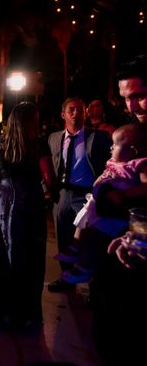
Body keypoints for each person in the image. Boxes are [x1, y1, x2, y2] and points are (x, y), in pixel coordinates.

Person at [0, 102, 55, 329]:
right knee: (28, 255)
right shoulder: (38, 144)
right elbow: (48, 179)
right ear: (32, 120)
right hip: (28, 200)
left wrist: (1, 188)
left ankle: (0, 304)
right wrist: (50, 194)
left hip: (3, 199)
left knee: (1, 251)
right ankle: (23, 310)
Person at [89, 55, 147, 364]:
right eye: (126, 98)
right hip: (126, 249)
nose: (132, 107)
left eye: (139, 96)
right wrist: (135, 237)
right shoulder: (135, 132)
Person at [59, 123, 147, 284]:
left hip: (114, 211)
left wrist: (124, 193)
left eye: (115, 145)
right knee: (82, 223)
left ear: (133, 150)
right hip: (96, 203)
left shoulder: (138, 164)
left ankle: (84, 268)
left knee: (95, 237)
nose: (111, 148)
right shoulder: (114, 162)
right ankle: (75, 248)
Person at [46, 97, 112, 292]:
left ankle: (94, 285)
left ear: (86, 113)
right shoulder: (54, 137)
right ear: (63, 115)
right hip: (63, 194)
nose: (76, 114)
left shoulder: (99, 137)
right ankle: (66, 278)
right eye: (72, 110)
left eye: (80, 110)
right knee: (64, 239)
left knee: (91, 240)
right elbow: (50, 165)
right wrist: (48, 189)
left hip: (87, 195)